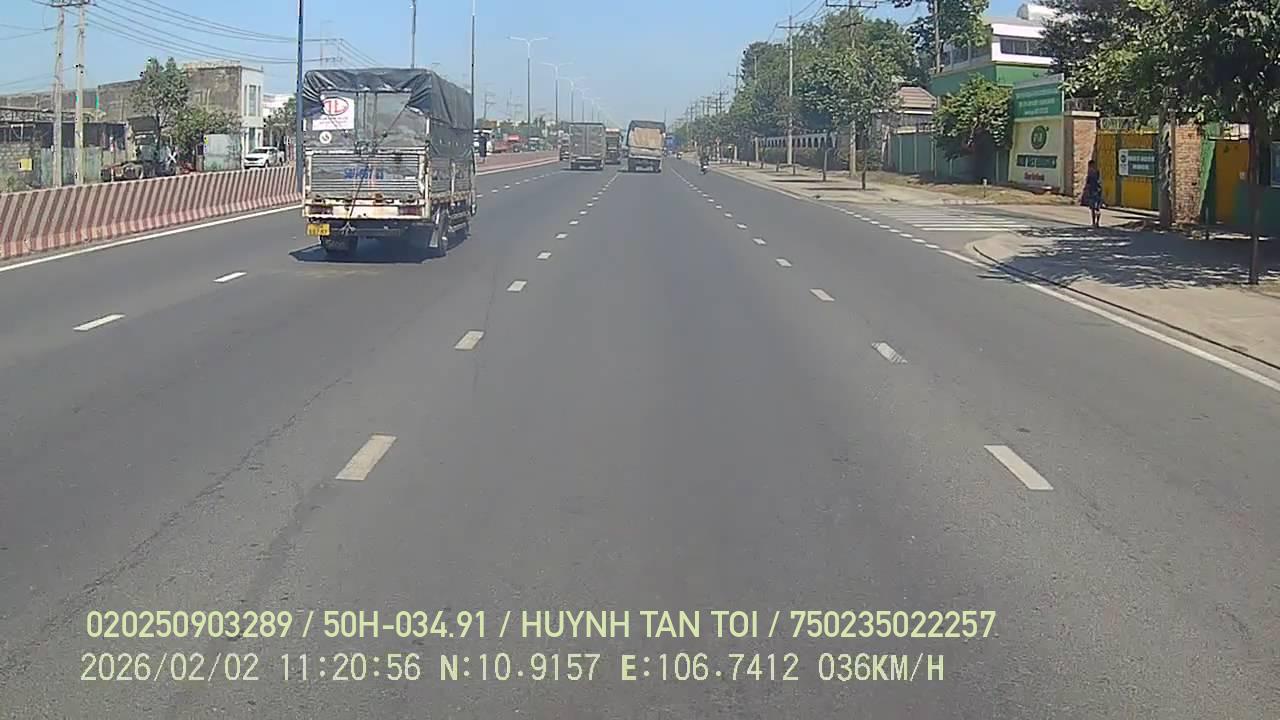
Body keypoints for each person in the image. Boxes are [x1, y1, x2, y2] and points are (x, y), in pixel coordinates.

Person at [1081, 159, 1103, 228]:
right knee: (1097, 208)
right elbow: (1100, 182)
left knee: (1093, 209)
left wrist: (1086, 191)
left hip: (1092, 192)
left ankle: (1094, 223)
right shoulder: (1098, 172)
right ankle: (1097, 222)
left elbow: (1088, 184)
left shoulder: (1090, 173)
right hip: (1098, 192)